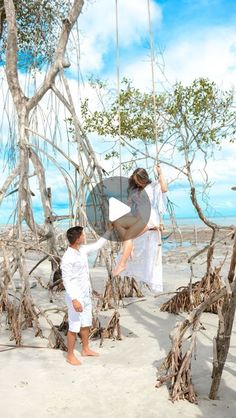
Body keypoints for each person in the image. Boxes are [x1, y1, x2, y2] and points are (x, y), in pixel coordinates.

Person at [61, 226, 111, 365]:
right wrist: (74, 299)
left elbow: (97, 245)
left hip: (85, 294)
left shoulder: (82, 250)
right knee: (74, 326)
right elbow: (67, 280)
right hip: (75, 297)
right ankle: (70, 355)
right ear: (78, 239)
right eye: (83, 235)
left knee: (86, 323)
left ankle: (85, 349)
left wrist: (109, 230)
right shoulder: (68, 257)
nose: (85, 236)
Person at [112, 164, 168, 277]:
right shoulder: (135, 190)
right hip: (138, 217)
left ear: (144, 178)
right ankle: (130, 245)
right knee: (116, 222)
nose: (138, 183)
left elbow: (164, 188)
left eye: (139, 180)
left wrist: (160, 172)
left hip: (149, 218)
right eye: (135, 181)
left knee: (128, 236)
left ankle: (122, 264)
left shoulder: (153, 186)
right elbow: (128, 204)